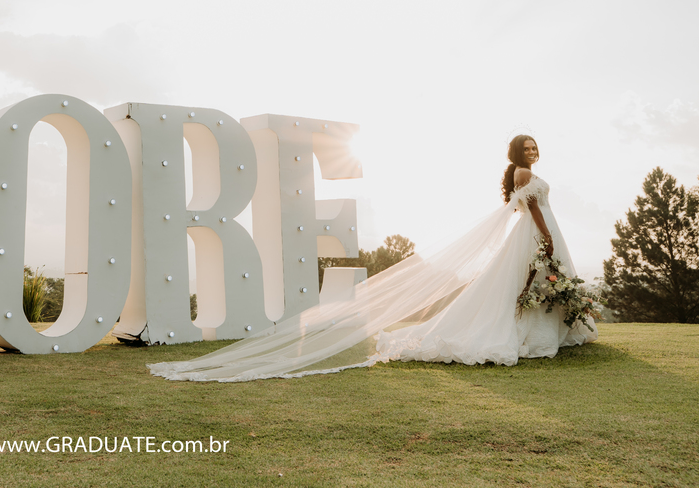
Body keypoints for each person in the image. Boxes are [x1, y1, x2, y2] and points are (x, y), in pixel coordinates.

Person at [148, 135, 598, 382]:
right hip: (536, 231)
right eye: (526, 148)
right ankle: (533, 332)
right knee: (532, 278)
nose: (532, 152)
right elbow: (533, 209)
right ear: (517, 155)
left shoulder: (524, 173)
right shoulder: (524, 175)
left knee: (535, 281)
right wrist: (545, 237)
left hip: (539, 230)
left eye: (534, 147)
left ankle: (552, 329)